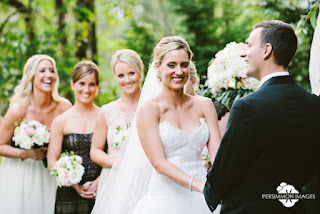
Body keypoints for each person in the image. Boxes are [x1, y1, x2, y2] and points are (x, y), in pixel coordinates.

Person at [204, 20, 320, 214]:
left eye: (249, 45)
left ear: (267, 50)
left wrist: (210, 193)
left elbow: (225, 171)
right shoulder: (314, 104)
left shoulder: (247, 107)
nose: (243, 53)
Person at [0, 54, 72, 214]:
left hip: (49, 174)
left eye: (52, 70)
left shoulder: (64, 108)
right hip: (20, 174)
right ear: (31, 76)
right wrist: (25, 153)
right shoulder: (18, 110)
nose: (49, 75)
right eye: (42, 70)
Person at [47, 61, 102, 214]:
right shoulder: (61, 121)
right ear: (72, 84)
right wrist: (73, 183)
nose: (86, 89)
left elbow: (113, 154)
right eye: (81, 83)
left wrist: (101, 181)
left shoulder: (104, 116)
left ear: (97, 87)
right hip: (68, 193)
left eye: (92, 84)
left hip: (99, 191)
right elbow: (52, 162)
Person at [90, 49, 143, 195]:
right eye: (121, 75)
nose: (127, 80)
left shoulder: (153, 107)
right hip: (115, 181)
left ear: (140, 72)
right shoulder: (107, 111)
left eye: (131, 73)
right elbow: (95, 151)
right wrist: (118, 163)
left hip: (145, 177)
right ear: (115, 77)